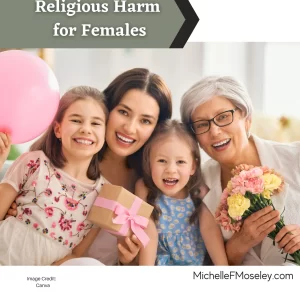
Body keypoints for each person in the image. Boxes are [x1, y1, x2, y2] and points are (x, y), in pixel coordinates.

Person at [6, 68, 172, 265]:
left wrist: (127, 260)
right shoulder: (52, 160)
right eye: (123, 112)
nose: (130, 127)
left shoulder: (146, 185)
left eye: (145, 121)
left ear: (156, 129)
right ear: (105, 110)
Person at [180, 75, 300, 265]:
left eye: (223, 117)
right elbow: (202, 267)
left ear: (246, 118)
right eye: (202, 124)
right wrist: (240, 243)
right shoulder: (193, 187)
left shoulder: (296, 158)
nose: (215, 131)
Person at [0, 86, 108, 265]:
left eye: (95, 123)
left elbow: (75, 256)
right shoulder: (33, 162)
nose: (86, 129)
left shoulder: (103, 194)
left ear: (104, 133)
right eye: (76, 120)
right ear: (58, 129)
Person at [136, 119, 228, 265]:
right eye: (161, 161)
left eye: (180, 162)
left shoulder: (198, 190)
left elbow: (209, 229)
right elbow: (149, 233)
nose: (171, 170)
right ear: (149, 162)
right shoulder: (144, 188)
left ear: (193, 166)